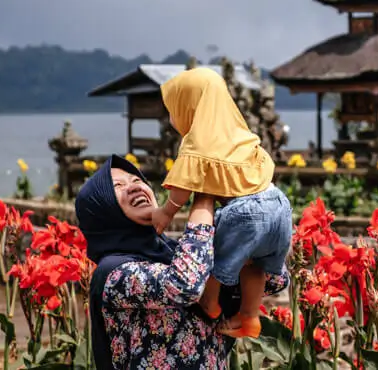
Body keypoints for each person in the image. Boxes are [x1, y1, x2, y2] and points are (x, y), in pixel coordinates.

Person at [76, 155, 289, 369]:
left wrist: (247, 220)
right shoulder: (114, 274)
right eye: (118, 186)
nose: (133, 187)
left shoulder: (178, 254)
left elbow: (274, 280)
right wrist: (203, 196)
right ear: (102, 209)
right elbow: (184, 286)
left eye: (137, 180)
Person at [150, 67, 293, 338]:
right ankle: (250, 317)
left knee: (217, 259)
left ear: (189, 106)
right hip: (279, 205)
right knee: (255, 265)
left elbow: (182, 187)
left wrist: (166, 212)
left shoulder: (198, 140)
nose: (171, 116)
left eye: (173, 108)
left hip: (246, 212)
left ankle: (209, 302)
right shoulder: (238, 132)